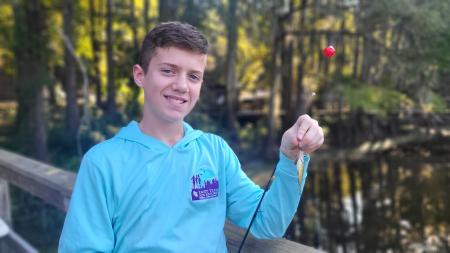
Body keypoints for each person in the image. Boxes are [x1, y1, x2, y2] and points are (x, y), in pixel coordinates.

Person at [59, 21, 324, 252]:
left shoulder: (215, 151)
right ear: (140, 75)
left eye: (193, 76)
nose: (181, 86)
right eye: (168, 71)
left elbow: (268, 222)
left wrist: (291, 158)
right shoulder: (102, 163)